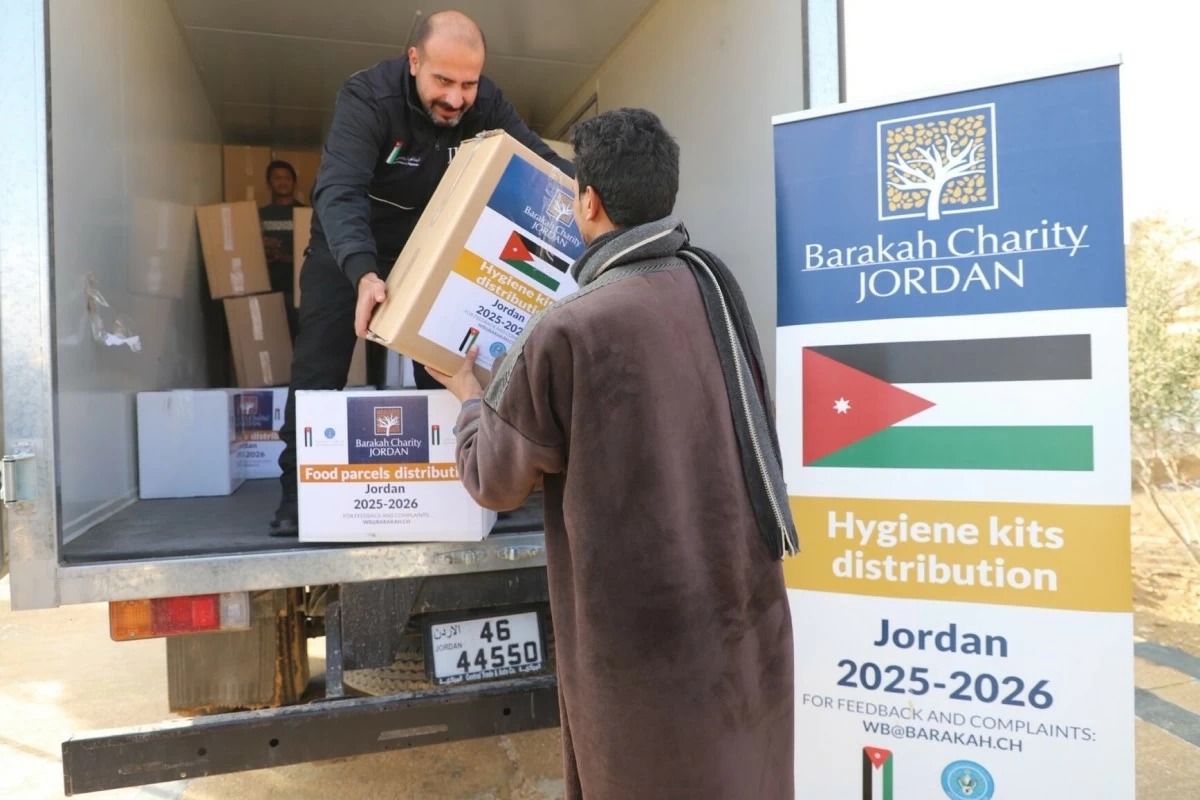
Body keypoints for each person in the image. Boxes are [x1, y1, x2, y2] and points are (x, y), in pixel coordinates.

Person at [428, 108, 799, 800]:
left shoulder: (567, 327)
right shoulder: (713, 287)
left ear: (589, 202)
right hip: (741, 620)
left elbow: (493, 479)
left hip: (642, 648)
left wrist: (470, 398)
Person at [270, 10, 573, 536]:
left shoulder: (487, 103)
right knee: (318, 367)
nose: (456, 98)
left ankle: (467, 486)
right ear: (414, 60)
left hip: (426, 249)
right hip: (348, 249)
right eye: (444, 81)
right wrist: (363, 273)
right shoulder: (368, 98)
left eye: (468, 84)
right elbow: (338, 191)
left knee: (446, 367)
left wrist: (593, 200)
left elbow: (538, 163)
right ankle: (296, 494)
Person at [257, 160, 304, 339]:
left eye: (286, 178)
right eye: (277, 178)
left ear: (294, 183)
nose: (282, 182)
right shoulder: (260, 214)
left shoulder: (306, 213)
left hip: (297, 289)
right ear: (269, 184)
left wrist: (284, 257)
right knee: (272, 338)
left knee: (298, 336)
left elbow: (312, 252)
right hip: (267, 287)